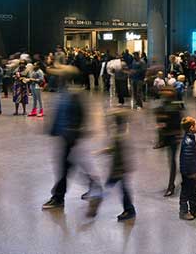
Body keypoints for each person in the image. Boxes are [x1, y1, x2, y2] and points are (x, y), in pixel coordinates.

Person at [42, 68, 100, 211]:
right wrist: (53, 129)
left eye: (61, 76)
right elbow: (59, 113)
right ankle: (94, 186)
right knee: (72, 164)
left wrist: (74, 131)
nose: (58, 78)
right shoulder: (64, 92)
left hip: (70, 136)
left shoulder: (74, 93)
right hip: (65, 135)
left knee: (65, 167)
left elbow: (80, 114)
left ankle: (58, 197)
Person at [95, 110, 136, 221]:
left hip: (118, 169)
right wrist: (104, 150)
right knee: (121, 189)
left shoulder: (120, 136)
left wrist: (118, 170)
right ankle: (129, 210)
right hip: (119, 169)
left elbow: (120, 154)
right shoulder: (120, 134)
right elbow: (116, 150)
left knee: (118, 188)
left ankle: (129, 210)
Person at [156, 87, 183, 197]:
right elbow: (160, 123)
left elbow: (179, 120)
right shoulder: (163, 105)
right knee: (171, 161)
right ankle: (182, 177)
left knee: (172, 160)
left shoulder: (176, 104)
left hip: (173, 136)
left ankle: (171, 185)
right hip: (166, 136)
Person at [178, 117, 196, 220]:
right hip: (189, 173)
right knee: (186, 192)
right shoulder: (189, 142)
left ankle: (194, 209)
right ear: (191, 128)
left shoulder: (191, 139)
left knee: (193, 191)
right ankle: (183, 211)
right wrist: (191, 172)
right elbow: (187, 159)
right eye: (195, 125)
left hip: (192, 171)